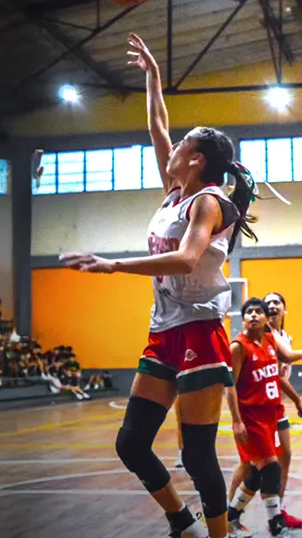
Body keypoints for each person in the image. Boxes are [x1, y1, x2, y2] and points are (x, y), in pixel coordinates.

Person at [59, 32, 260, 538]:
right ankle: (180, 520)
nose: (169, 150)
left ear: (195, 160)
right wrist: (152, 77)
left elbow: (189, 257)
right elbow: (158, 127)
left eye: (181, 147)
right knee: (132, 443)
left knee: (196, 454)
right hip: (164, 330)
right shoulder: (175, 192)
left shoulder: (207, 201)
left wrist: (113, 266)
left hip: (199, 331)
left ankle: (219, 535)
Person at [226, 298, 302, 538]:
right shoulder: (238, 346)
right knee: (271, 469)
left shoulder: (270, 340)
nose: (253, 315)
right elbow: (229, 387)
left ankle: (230, 516)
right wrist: (237, 421)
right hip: (251, 418)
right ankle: (276, 523)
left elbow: (288, 357)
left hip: (271, 416)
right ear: (243, 319)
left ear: (264, 318)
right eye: (248, 312)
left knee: (258, 475)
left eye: (257, 312)